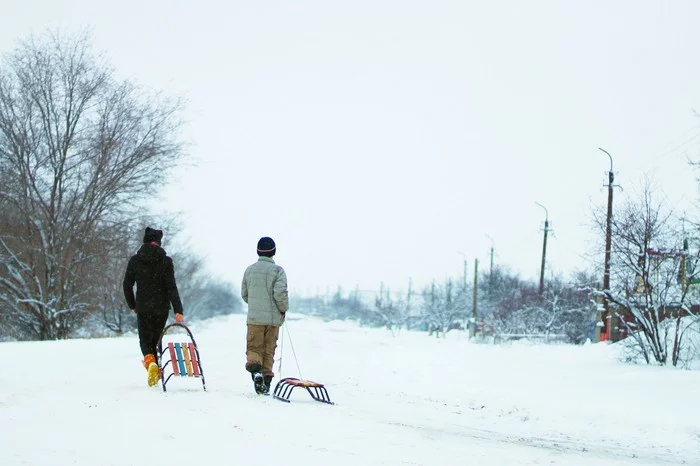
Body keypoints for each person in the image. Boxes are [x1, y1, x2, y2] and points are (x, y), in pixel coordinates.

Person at [123, 227, 184, 386]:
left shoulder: (135, 260)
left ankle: (151, 364)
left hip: (143, 306)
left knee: (145, 340)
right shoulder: (166, 261)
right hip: (161, 307)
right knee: (156, 339)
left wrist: (132, 304)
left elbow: (127, 285)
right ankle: (157, 371)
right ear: (159, 242)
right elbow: (171, 287)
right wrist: (178, 309)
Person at [241, 236, 289, 394]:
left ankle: (256, 373)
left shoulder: (249, 270)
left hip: (255, 319)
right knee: (269, 350)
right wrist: (283, 309)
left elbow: (245, 294)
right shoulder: (278, 271)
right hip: (273, 320)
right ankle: (266, 381)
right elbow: (280, 294)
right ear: (273, 252)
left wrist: (255, 304)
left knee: (254, 347)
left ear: (258, 251)